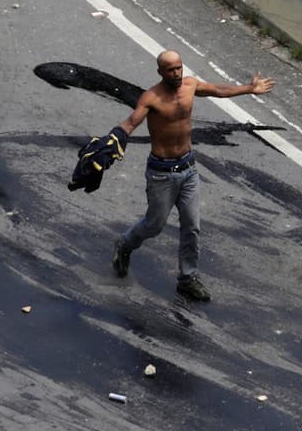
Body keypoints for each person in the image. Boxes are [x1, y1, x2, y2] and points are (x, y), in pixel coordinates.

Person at [110, 50, 275, 301]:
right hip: (161, 174)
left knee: (192, 226)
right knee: (154, 225)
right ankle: (125, 243)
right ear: (160, 72)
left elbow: (217, 89)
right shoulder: (151, 98)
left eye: (179, 68)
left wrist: (249, 89)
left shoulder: (190, 85)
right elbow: (131, 123)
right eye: (170, 70)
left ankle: (188, 278)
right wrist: (113, 139)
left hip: (188, 170)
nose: (177, 73)